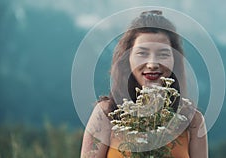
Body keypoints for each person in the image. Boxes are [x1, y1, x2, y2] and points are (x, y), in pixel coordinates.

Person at [80, 10, 208, 158]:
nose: (153, 64)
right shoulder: (105, 113)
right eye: (142, 53)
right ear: (127, 58)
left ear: (175, 60)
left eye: (163, 54)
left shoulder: (193, 121)